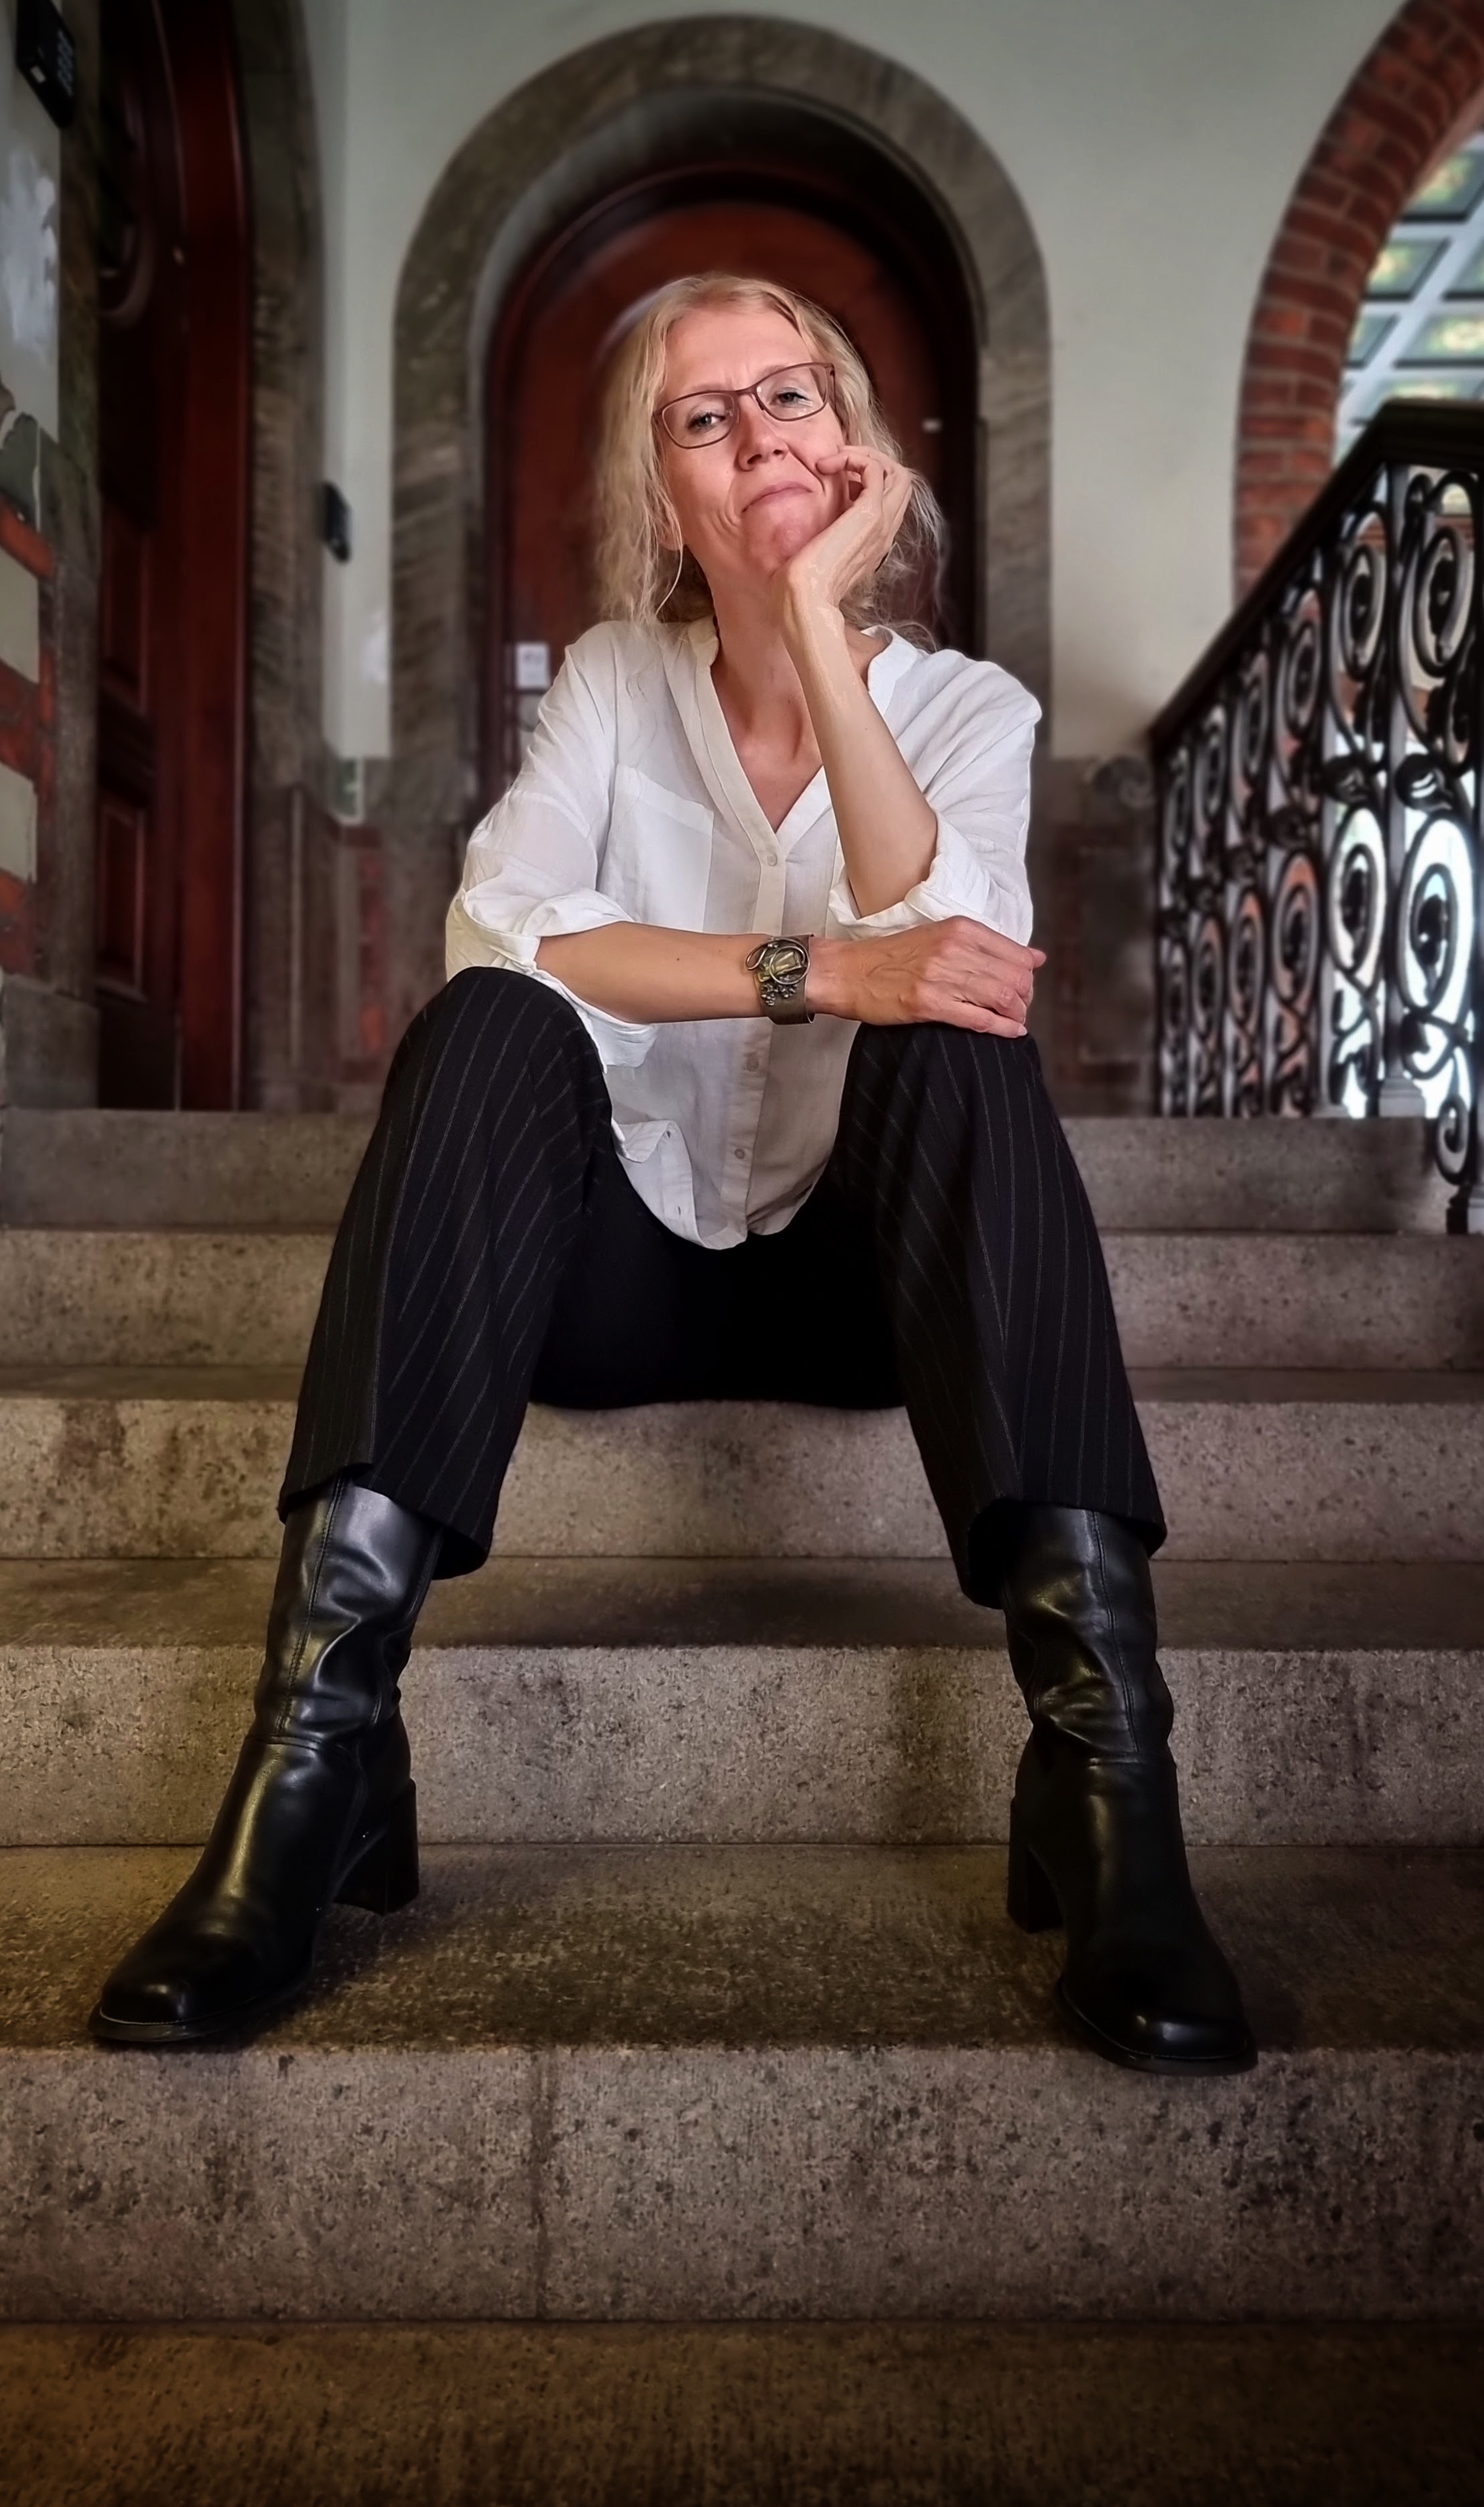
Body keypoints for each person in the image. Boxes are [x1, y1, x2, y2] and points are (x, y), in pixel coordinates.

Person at [92, 274, 1255, 2075]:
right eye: (703, 417)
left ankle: (1103, 1774)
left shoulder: (969, 709)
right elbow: (503, 925)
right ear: (662, 486)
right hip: (609, 1277)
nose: (755, 435)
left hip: (874, 1292)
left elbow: (961, 949)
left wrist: (812, 620)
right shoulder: (616, 684)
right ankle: (318, 1756)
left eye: (789, 395)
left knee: (956, 1032)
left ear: (850, 441)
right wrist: (813, 971)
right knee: (490, 1023)